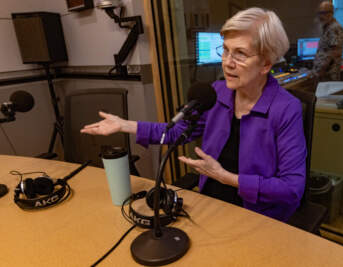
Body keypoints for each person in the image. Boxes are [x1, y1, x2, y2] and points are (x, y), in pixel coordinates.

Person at [81, 7, 307, 222]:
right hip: (211, 199)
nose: (227, 63)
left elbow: (291, 188)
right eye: (226, 50)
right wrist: (126, 125)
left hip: (259, 213)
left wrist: (225, 177)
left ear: (266, 64)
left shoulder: (287, 109)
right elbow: (177, 132)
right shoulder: (217, 93)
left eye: (240, 54)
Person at [312, 1, 343, 81]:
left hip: (328, 75)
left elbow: (335, 52)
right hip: (323, 74)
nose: (320, 16)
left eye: (323, 13)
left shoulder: (335, 28)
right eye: (319, 13)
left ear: (331, 13)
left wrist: (322, 70)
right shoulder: (327, 27)